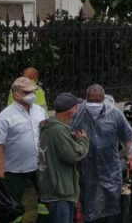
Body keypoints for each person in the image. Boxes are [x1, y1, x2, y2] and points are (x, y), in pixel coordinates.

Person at [72, 84, 132, 223]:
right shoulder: (79, 113)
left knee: (112, 204)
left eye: (98, 101)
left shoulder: (114, 114)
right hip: (86, 168)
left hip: (110, 167)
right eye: (91, 100)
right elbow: (67, 132)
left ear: (103, 99)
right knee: (88, 204)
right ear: (85, 99)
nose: (94, 104)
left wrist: (131, 154)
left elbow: (129, 136)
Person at [0, 77, 47, 215]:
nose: (31, 95)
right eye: (27, 92)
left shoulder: (39, 111)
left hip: (39, 165)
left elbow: (47, 132)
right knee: (12, 205)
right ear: (16, 94)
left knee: (46, 201)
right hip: (15, 169)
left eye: (32, 91)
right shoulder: (4, 117)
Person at [37, 93, 90, 223]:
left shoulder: (51, 128)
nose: (77, 111)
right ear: (70, 111)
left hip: (54, 190)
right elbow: (74, 155)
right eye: (76, 108)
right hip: (59, 193)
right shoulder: (57, 131)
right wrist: (83, 140)